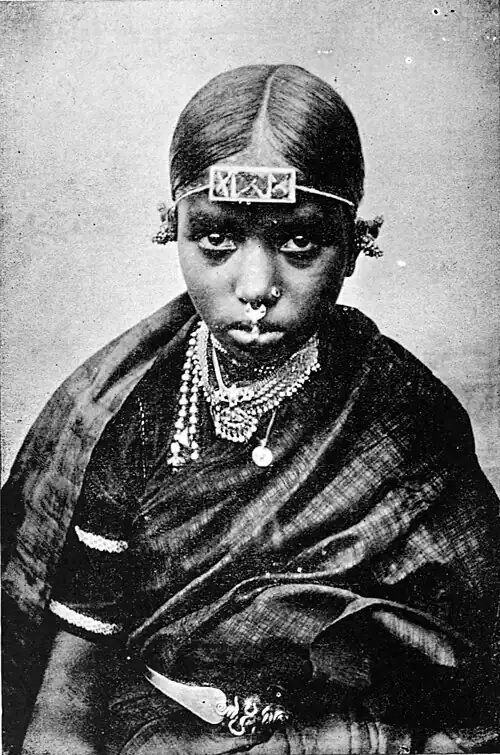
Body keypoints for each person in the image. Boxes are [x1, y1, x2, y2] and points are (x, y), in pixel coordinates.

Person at [2, 64, 499, 755]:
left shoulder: (403, 411)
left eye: (299, 243)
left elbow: (478, 666)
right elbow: (70, 686)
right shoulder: (128, 412)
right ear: (173, 230)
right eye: (217, 240)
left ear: (353, 245)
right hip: (164, 731)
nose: (257, 285)